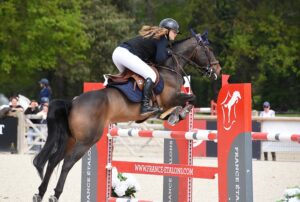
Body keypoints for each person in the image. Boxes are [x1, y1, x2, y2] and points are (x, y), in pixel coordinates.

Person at [112, 18, 179, 115]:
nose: (176, 34)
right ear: (167, 31)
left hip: (118, 53)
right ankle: (145, 106)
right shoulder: (162, 38)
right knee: (151, 75)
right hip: (125, 55)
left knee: (131, 79)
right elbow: (159, 59)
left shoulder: (154, 35)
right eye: (174, 31)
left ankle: (124, 103)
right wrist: (168, 52)